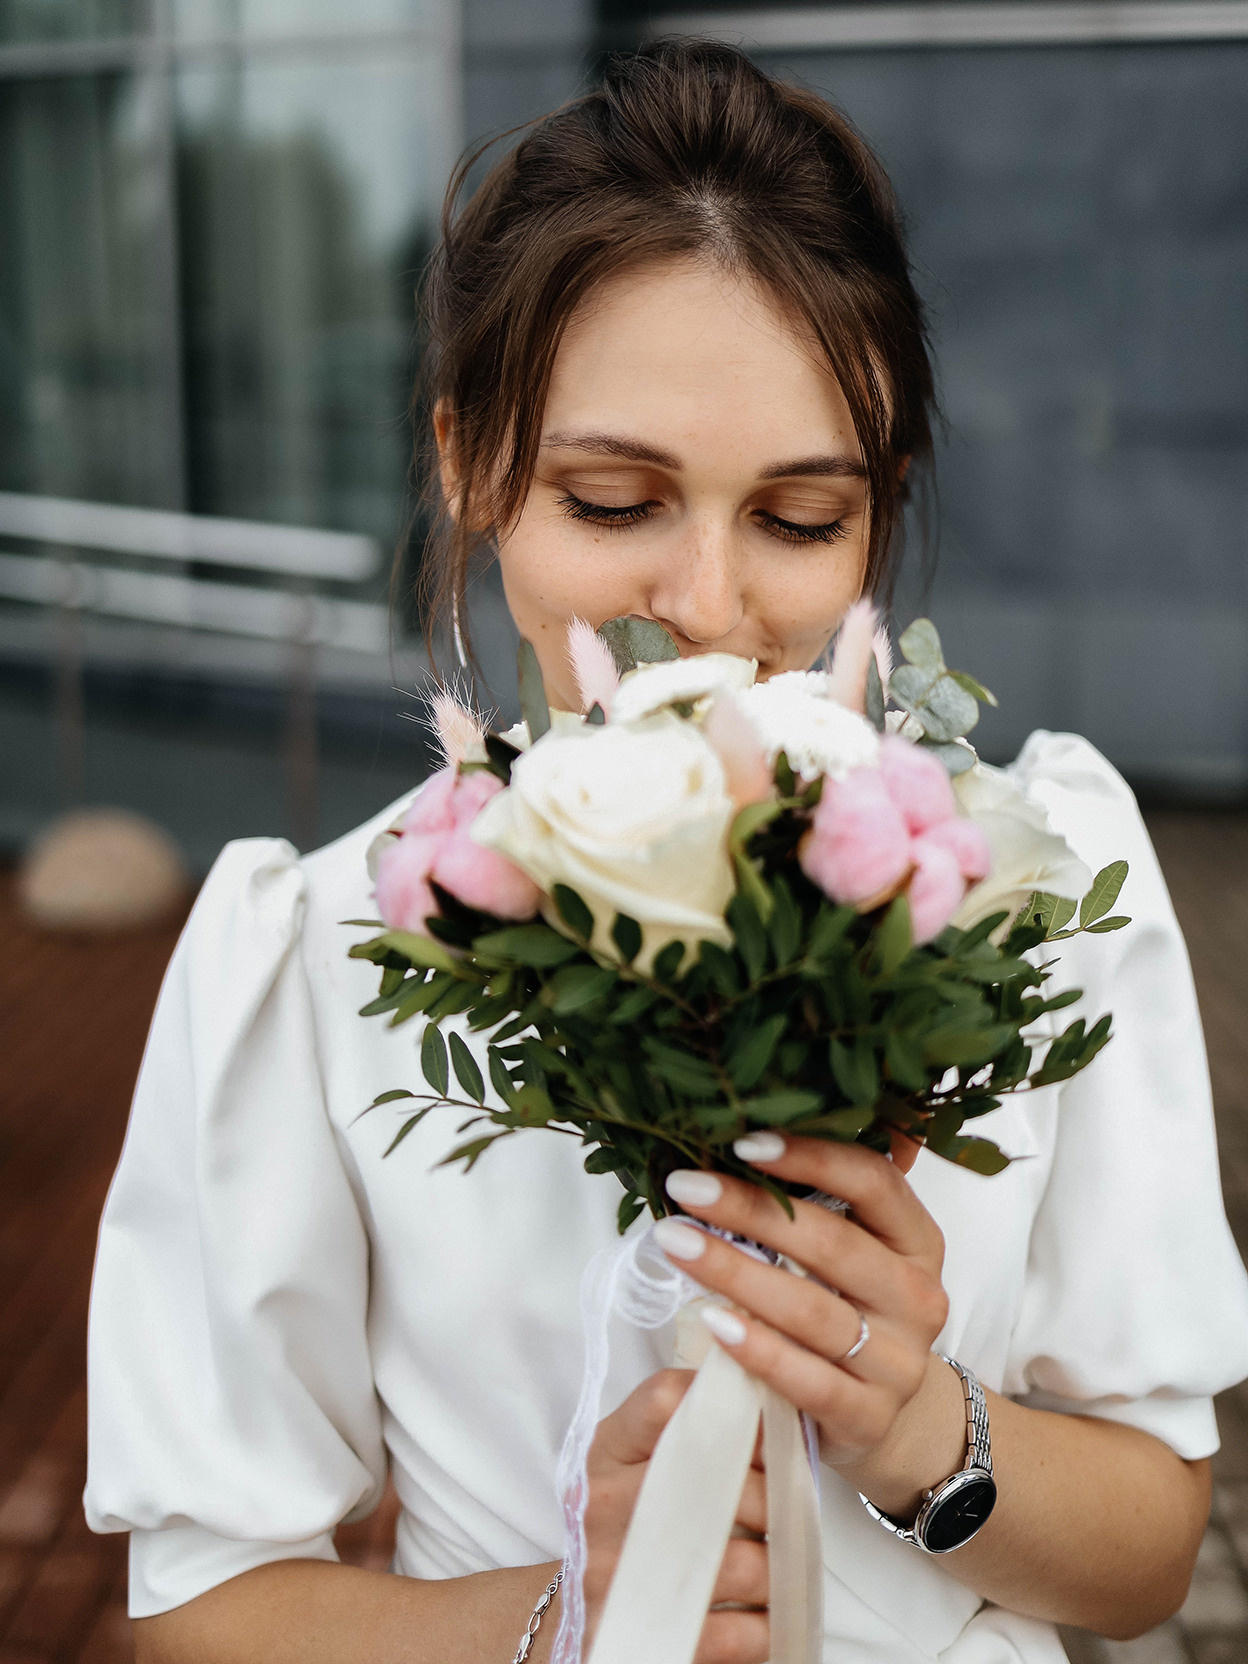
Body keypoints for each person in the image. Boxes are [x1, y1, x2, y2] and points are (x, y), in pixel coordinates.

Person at [85, 39, 1248, 1664]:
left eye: (795, 520)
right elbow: (199, 1609)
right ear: (470, 467)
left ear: (877, 513)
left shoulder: (1033, 892)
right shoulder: (324, 949)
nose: (706, 609)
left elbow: (1148, 1545)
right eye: (615, 500)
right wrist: (565, 1613)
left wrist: (921, 1428)